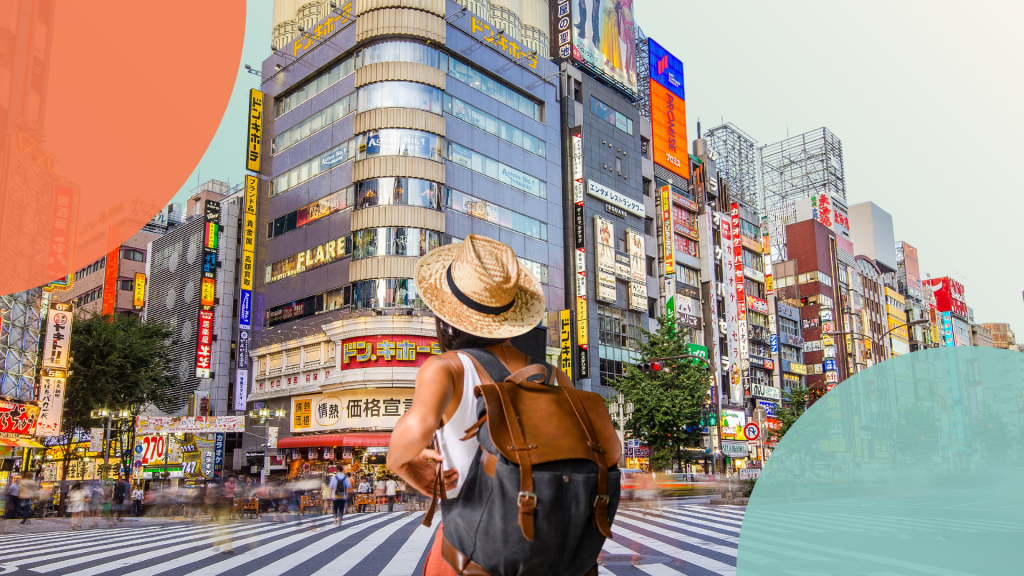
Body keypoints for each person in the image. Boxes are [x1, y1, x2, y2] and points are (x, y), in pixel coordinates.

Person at [387, 235, 570, 576]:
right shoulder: (555, 376)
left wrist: (412, 468)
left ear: (446, 312)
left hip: (471, 552)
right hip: (548, 554)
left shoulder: (447, 369)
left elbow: (402, 447)